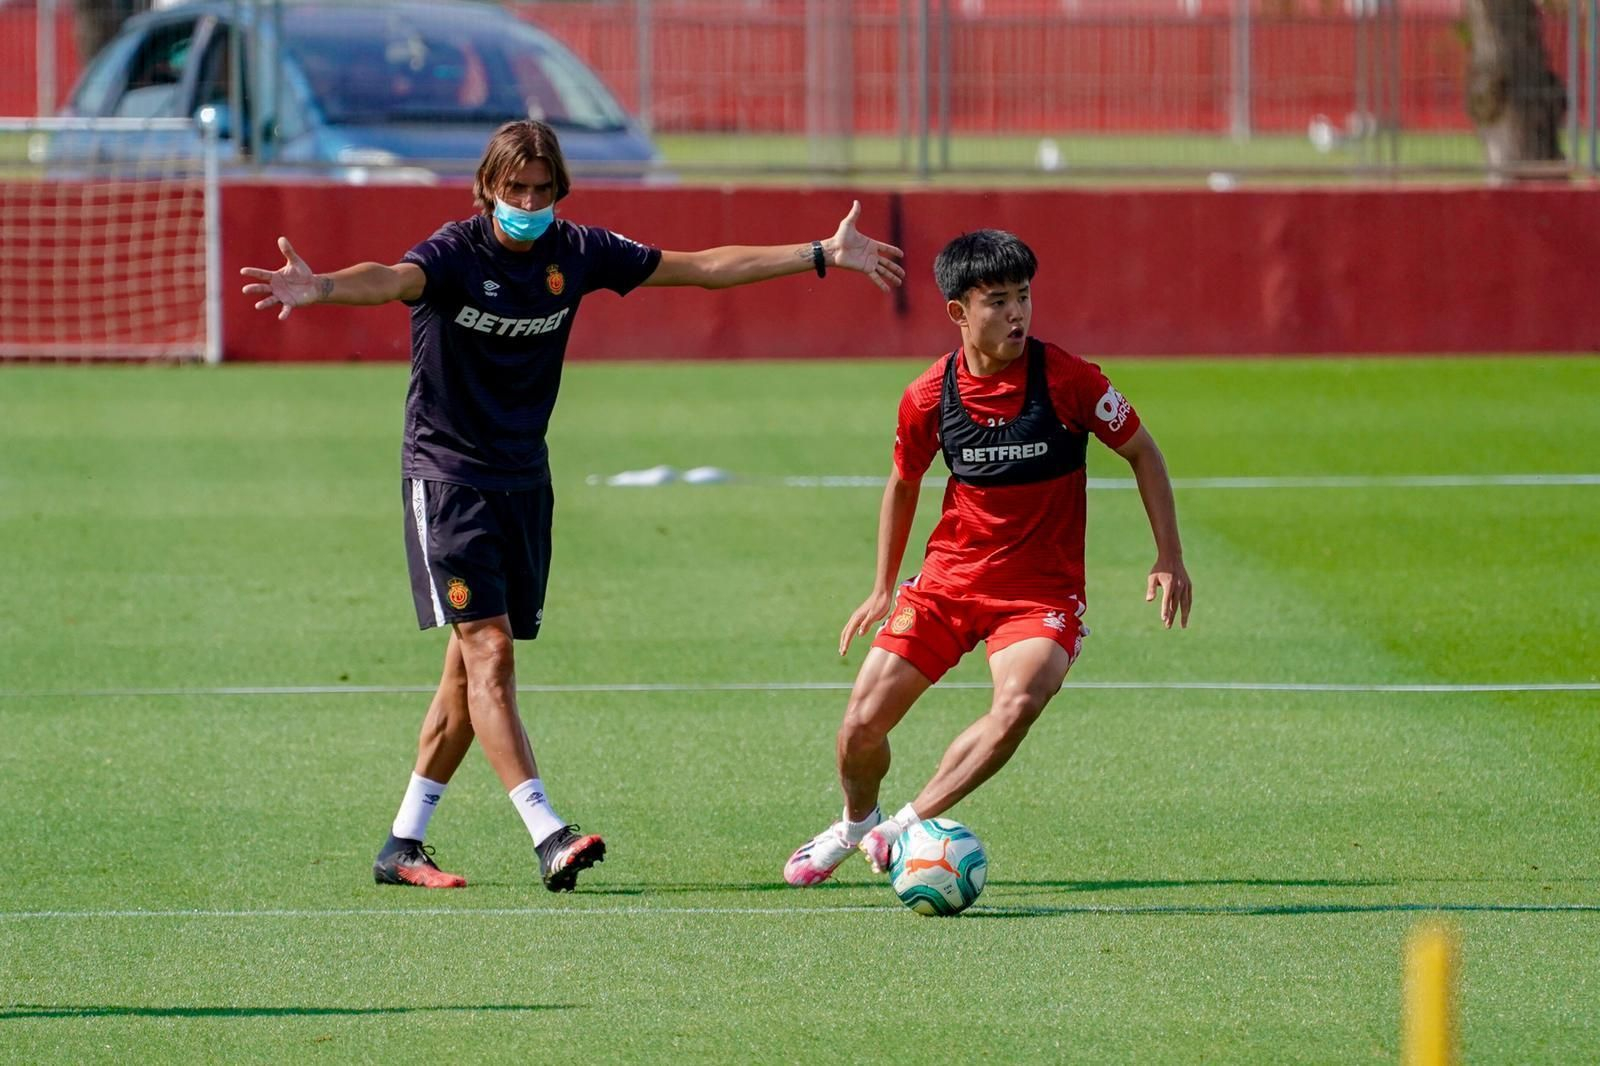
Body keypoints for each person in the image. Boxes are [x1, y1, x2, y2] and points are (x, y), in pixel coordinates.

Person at [240, 120, 905, 892]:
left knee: (465, 674)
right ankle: (547, 833)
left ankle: (402, 845)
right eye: (513, 189)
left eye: (541, 190)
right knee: (490, 654)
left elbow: (702, 269)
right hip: (448, 480)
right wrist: (321, 288)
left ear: (558, 192)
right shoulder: (455, 254)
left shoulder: (577, 253)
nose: (527, 202)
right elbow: (390, 279)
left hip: (525, 481)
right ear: (488, 186)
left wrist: (820, 254)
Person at [782, 228, 1191, 887]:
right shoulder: (926, 397)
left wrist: (1168, 554)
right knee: (859, 727)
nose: (1016, 313)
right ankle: (858, 824)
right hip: (949, 583)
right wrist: (884, 585)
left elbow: (1144, 450)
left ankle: (903, 826)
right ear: (959, 312)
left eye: (1023, 297)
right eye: (997, 301)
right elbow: (904, 481)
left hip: (1040, 593)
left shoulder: (1069, 381)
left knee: (1019, 701)